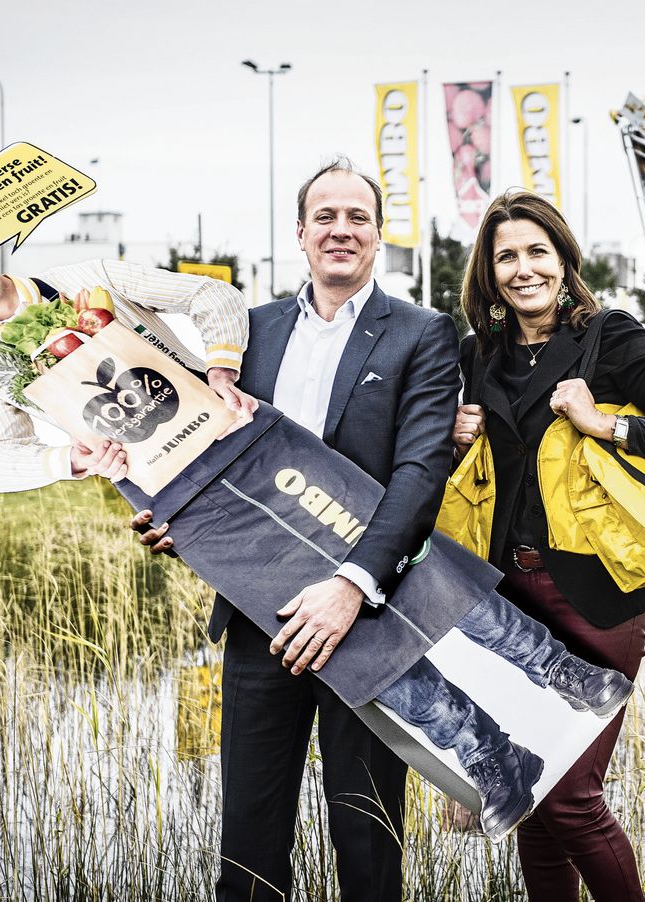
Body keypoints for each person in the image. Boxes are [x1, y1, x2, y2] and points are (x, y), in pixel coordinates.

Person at [134, 156, 456, 901]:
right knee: (248, 838)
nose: (341, 230)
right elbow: (210, 455)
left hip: (370, 621)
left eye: (358, 218)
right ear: (302, 232)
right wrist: (176, 518)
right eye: (326, 217)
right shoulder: (250, 331)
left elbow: (419, 477)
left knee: (366, 839)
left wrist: (352, 586)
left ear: (379, 234)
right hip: (260, 618)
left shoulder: (422, 333)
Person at [452, 190, 645, 901]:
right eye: (505, 255)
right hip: (506, 601)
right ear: (488, 272)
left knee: (571, 795)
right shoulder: (477, 353)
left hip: (598, 597)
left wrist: (604, 423)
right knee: (537, 791)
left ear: (564, 260)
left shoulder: (611, 337)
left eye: (536, 252)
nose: (522, 269)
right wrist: (455, 443)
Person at [0, 236, 256, 491]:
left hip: (234, 421)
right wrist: (75, 461)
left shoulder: (91, 277)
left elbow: (210, 293)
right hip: (156, 474)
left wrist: (221, 370)